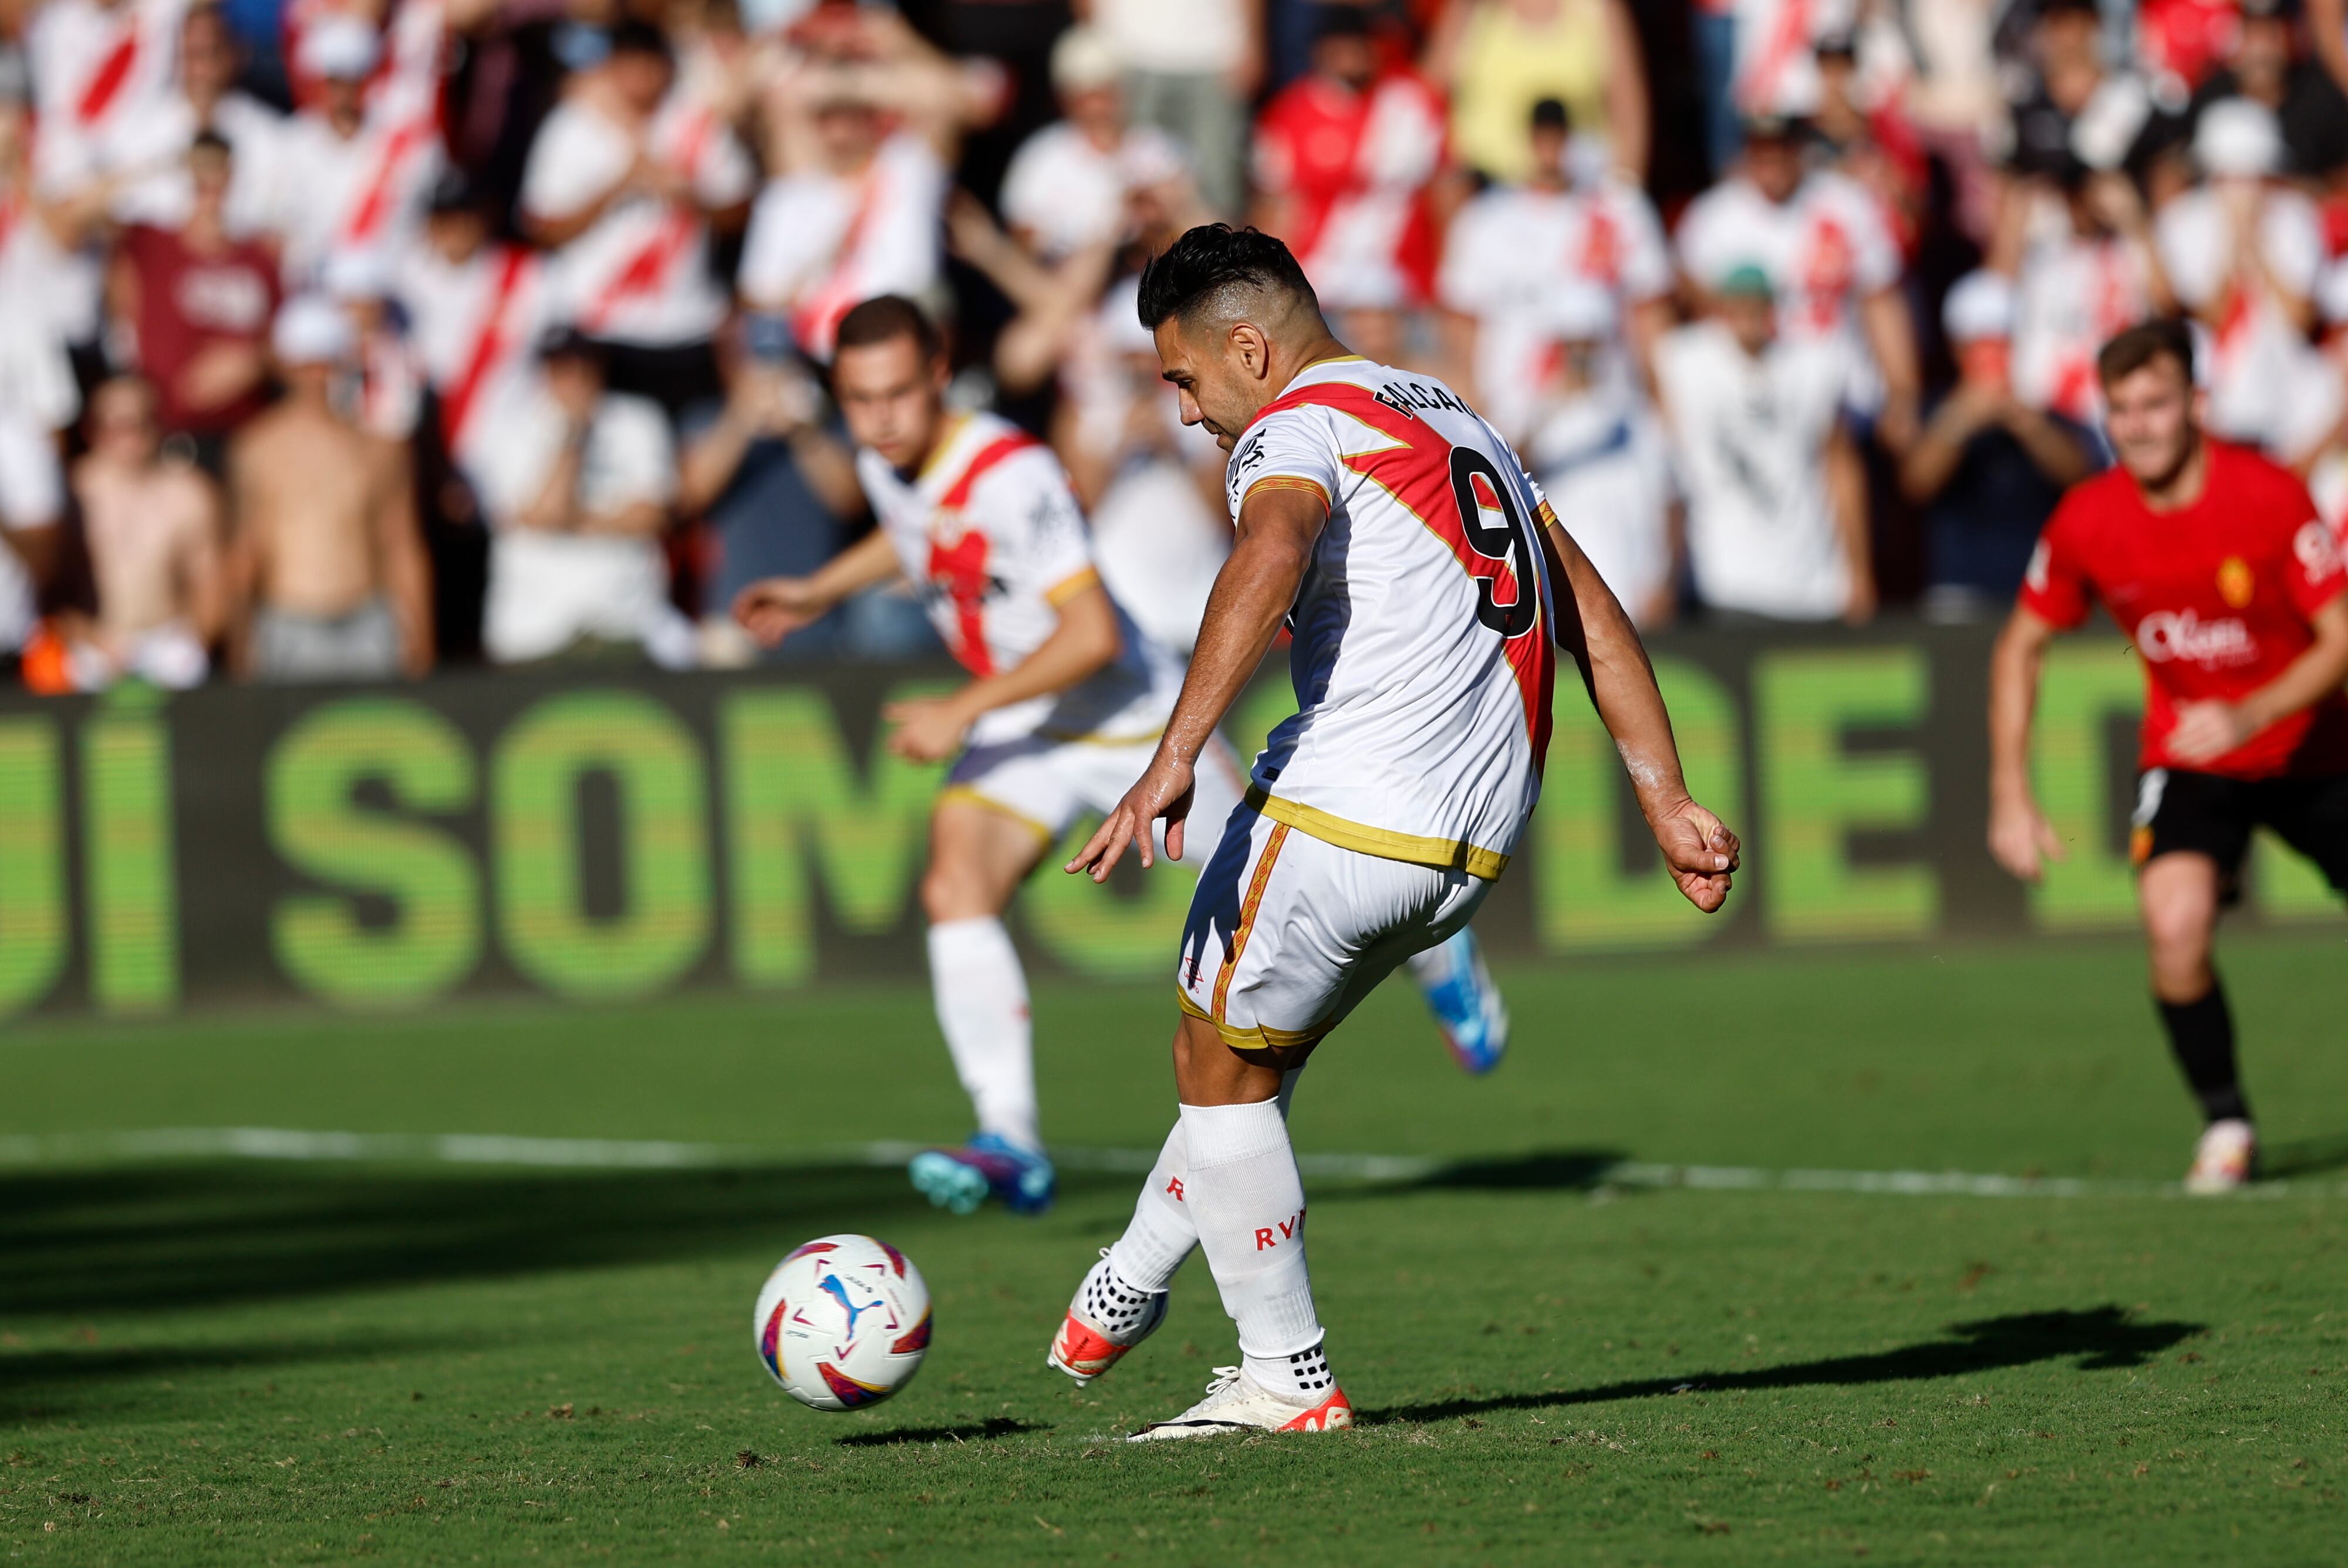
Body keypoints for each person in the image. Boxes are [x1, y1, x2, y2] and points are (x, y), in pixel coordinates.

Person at [1044, 225, 1738, 1438]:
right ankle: (1130, 1279)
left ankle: (1284, 1377)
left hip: (1351, 801)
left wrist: (1168, 758)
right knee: (1251, 1060)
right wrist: (1663, 793)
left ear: (1247, 348)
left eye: (1183, 375)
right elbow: (1584, 603)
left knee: (1210, 1065)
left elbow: (1270, 546)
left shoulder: (1292, 426)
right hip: (1471, 844)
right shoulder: (1456, 418)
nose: (1185, 405)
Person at [731, 294, 1247, 1218]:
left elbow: (1089, 632)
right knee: (954, 883)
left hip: (1133, 723)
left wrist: (963, 708)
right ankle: (1009, 1137)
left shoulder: (1015, 474)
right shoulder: (889, 460)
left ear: (939, 377)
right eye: (857, 399)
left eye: (895, 394)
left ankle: (1432, 962)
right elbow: (913, 533)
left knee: (1286, 888)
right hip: (1027, 729)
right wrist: (817, 589)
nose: (878, 418)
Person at [1988, 318, 2348, 1193]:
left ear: (2196, 404)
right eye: (2122, 410)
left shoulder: (2269, 495)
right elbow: (2019, 647)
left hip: (2317, 751)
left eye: (2156, 404)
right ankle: (2227, 1122)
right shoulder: (2088, 520)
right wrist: (2010, 794)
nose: (2140, 425)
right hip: (2194, 758)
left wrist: (2251, 710)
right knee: (2174, 929)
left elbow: (2341, 637)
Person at [519, 18, 754, 412]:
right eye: (628, 64)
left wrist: (691, 199)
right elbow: (540, 227)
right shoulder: (573, 127)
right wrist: (616, 188)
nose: (640, 77)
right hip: (597, 328)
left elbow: (740, 212)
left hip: (684, 329)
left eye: (649, 64)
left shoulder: (695, 126)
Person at [1675, 112, 1921, 450]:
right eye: (1761, 151)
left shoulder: (1846, 203)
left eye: (1780, 149)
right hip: (1757, 395)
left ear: (1799, 150)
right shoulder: (1712, 219)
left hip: (1845, 392)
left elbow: (1881, 302)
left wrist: (1902, 394)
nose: (1771, 162)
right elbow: (1701, 313)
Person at [1438, 96, 1672, 444]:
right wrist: (1475, 414)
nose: (1550, 149)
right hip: (1513, 414)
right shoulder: (1485, 219)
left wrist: (1661, 413)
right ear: (1528, 141)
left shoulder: (1619, 210)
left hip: (1608, 410)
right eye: (1542, 137)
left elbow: (1650, 317)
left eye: (1559, 137)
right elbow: (1461, 326)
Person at [1653, 263, 1872, 622]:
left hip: (1811, 581)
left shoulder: (1811, 365)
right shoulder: (1683, 361)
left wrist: (1859, 571)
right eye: (1738, 305)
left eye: (1758, 305)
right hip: (1725, 577)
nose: (1749, 316)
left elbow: (1842, 470)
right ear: (1721, 310)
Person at [228, 296, 431, 682]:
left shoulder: (379, 447)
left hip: (367, 623)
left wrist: (421, 643)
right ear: (284, 365)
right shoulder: (256, 448)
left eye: (324, 362)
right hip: (289, 623)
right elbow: (245, 553)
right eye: (305, 363)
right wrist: (240, 648)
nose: (316, 376)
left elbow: (402, 546)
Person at [469, 328, 690, 667]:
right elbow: (547, 514)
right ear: (543, 373)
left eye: (584, 367)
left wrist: (572, 521)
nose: (576, 380)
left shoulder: (637, 419)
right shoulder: (507, 429)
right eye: (562, 369)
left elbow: (652, 517)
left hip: (623, 624)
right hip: (534, 634)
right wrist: (573, 434)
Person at [1250, 5, 1445, 370]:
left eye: (1360, 44)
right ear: (1320, 51)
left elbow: (1444, 193)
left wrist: (1442, 280)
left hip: (1403, 288)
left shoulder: (1409, 105)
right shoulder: (1290, 115)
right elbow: (1277, 210)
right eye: (1342, 45)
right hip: (1324, 288)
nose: (1352, 54)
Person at [1901, 270, 2096, 619]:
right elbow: (1917, 483)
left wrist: (2027, 423)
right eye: (1979, 346)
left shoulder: (2047, 410)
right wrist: (1962, 420)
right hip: (1960, 593)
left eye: (2002, 344)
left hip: (2038, 590)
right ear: (1957, 350)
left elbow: (2083, 478)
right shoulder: (1936, 411)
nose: (1992, 358)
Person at [2155, 99, 2336, 464]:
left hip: (2290, 407)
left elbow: (2300, 319)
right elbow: (2207, 317)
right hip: (2219, 405)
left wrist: (2259, 245)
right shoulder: (2182, 221)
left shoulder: (2296, 217)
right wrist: (2233, 242)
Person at [110, 131, 280, 470]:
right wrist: (162, 165)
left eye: (219, 172)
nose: (210, 186)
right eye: (200, 174)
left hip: (244, 436)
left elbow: (287, 347)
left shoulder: (259, 258)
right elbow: (78, 213)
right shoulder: (151, 244)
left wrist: (255, 361)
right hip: (168, 437)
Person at [1524, 279, 1677, 627]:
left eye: (1589, 344)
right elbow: (1508, 476)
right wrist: (1553, 404)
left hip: (1634, 600)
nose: (1581, 355)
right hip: (1562, 603)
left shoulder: (1636, 416)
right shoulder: (1539, 417)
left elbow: (1669, 502)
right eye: (1572, 344)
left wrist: (1664, 582)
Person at [68, 375, 226, 688]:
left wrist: (193, 640)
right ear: (93, 430)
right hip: (93, 643)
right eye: (117, 426)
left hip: (169, 643)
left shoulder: (190, 493)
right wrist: (87, 636)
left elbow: (211, 582)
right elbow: (50, 583)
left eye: (141, 424)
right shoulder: (72, 492)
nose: (131, 438)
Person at [272, 16, 444, 288]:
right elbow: (274, 231)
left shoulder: (413, 146)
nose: (345, 93)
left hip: (390, 291)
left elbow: (430, 229)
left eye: (354, 81)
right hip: (313, 289)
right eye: (335, 82)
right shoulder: (289, 144)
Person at [998, 25, 1190, 264]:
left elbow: (1194, 235)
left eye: (1106, 94)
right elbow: (1023, 243)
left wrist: (1161, 215)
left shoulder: (1158, 148)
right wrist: (1110, 225)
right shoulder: (1040, 156)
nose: (1098, 108)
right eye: (1086, 98)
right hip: (1069, 283)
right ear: (1065, 100)